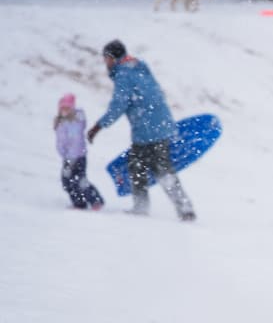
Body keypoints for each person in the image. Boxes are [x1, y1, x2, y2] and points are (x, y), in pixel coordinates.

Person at [87, 39, 196, 221]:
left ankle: (141, 208)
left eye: (106, 58)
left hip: (146, 128)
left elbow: (118, 105)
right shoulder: (138, 67)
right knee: (161, 168)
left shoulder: (123, 75)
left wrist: (97, 127)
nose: (105, 62)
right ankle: (184, 208)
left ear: (113, 57)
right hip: (161, 123)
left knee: (138, 166)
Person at [53, 93, 104, 210]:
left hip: (79, 157)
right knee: (67, 182)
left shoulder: (77, 121)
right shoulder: (60, 122)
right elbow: (60, 141)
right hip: (67, 158)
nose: (64, 111)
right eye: (62, 108)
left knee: (80, 181)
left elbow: (75, 138)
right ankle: (79, 203)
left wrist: (71, 156)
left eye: (67, 108)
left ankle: (96, 201)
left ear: (72, 109)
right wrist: (63, 154)